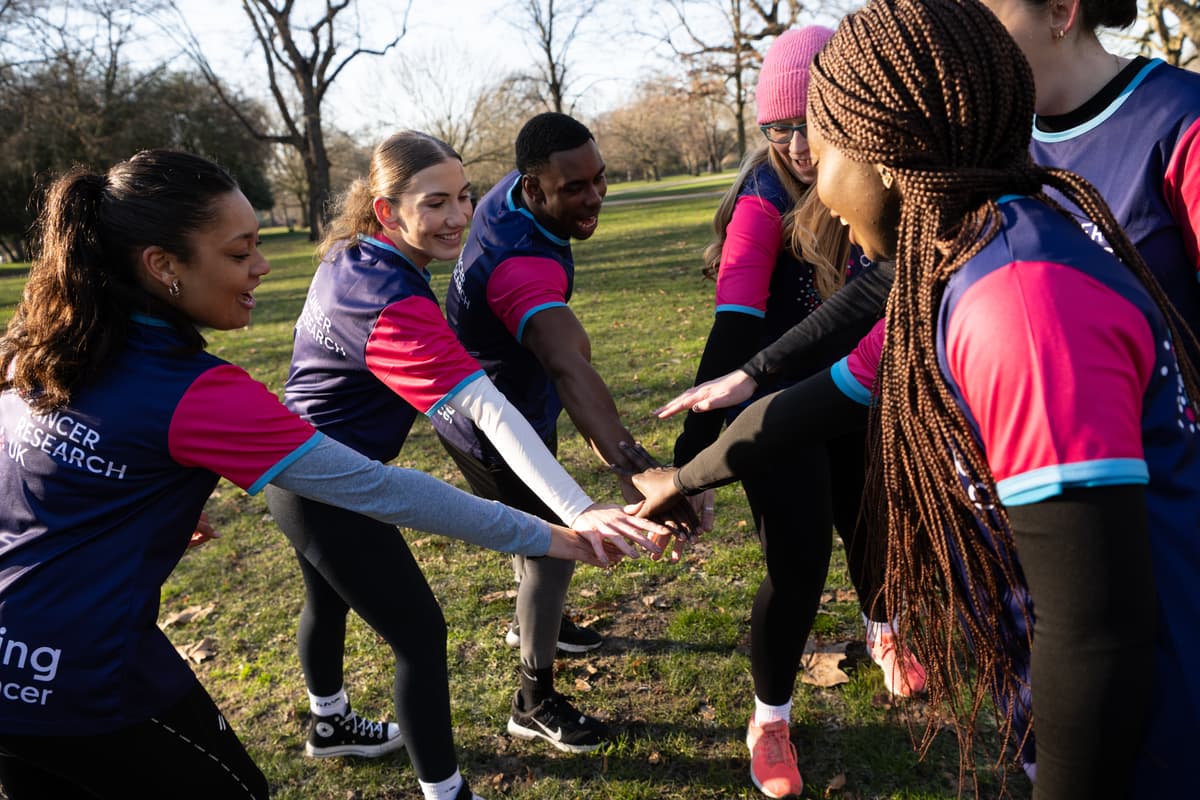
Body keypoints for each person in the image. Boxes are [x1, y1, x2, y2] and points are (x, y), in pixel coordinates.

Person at [645, 0, 1200, 794]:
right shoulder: (953, 265)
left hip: (1150, 738)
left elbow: (1094, 636)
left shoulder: (1020, 305)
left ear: (887, 146)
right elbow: (826, 396)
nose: (811, 177)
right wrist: (685, 476)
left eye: (823, 138)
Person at [0, 150, 654, 800]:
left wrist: (138, 488)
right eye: (238, 254)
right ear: (162, 266)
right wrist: (550, 532)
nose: (260, 267)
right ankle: (445, 790)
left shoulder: (52, 348)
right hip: (82, 681)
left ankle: (332, 719)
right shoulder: (197, 391)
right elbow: (386, 487)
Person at [263, 131, 670, 766]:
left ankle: (328, 722)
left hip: (297, 465)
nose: (458, 217)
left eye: (465, 197)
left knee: (325, 599)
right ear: (385, 211)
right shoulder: (389, 302)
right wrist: (578, 510)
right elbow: (491, 411)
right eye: (434, 204)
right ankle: (451, 779)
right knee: (420, 632)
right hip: (327, 482)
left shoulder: (352, 257)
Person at [666, 25, 923, 799]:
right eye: (780, 129)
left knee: (873, 522)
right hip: (776, 408)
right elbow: (735, 331)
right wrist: (691, 461)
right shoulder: (761, 205)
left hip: (858, 387)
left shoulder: (879, 179)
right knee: (800, 559)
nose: (799, 144)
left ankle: (885, 631)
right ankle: (769, 718)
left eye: (813, 123)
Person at [432, 112, 699, 754]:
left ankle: (542, 625)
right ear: (533, 184)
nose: (594, 197)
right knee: (553, 548)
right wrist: (638, 468)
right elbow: (567, 362)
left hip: (510, 401)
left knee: (539, 548)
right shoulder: (519, 268)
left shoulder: (513, 191)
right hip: (490, 423)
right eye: (574, 188)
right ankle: (533, 698)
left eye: (599, 179)